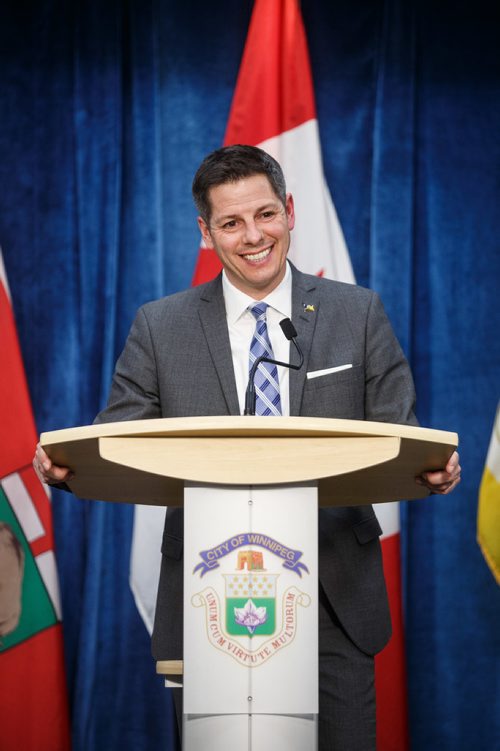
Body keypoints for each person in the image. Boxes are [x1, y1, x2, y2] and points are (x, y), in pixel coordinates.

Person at [34, 145, 461, 750]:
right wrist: (64, 464)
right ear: (206, 234)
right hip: (210, 598)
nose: (253, 236)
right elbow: (117, 437)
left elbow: (398, 432)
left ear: (290, 211)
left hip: (334, 594)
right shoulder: (161, 326)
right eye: (231, 223)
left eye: (265, 215)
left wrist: (432, 469)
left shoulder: (356, 312)